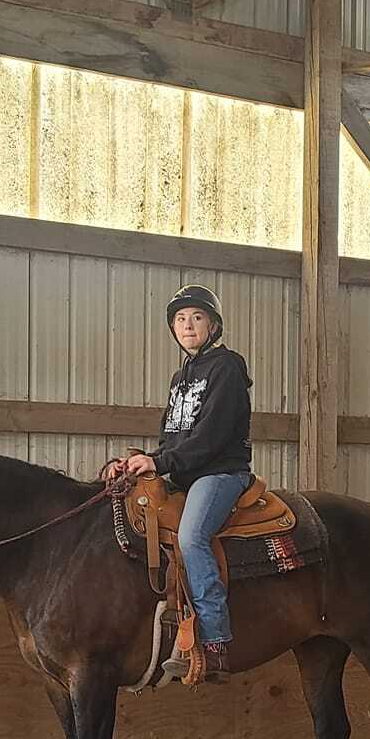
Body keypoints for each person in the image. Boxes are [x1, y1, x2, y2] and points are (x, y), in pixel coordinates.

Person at [104, 284, 253, 682]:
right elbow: (173, 435)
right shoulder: (180, 376)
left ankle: (217, 641)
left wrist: (161, 461)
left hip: (220, 472)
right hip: (185, 472)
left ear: (213, 325)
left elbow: (212, 435)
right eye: (180, 320)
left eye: (197, 318)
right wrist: (142, 462)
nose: (188, 326)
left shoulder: (228, 367)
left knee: (191, 537)